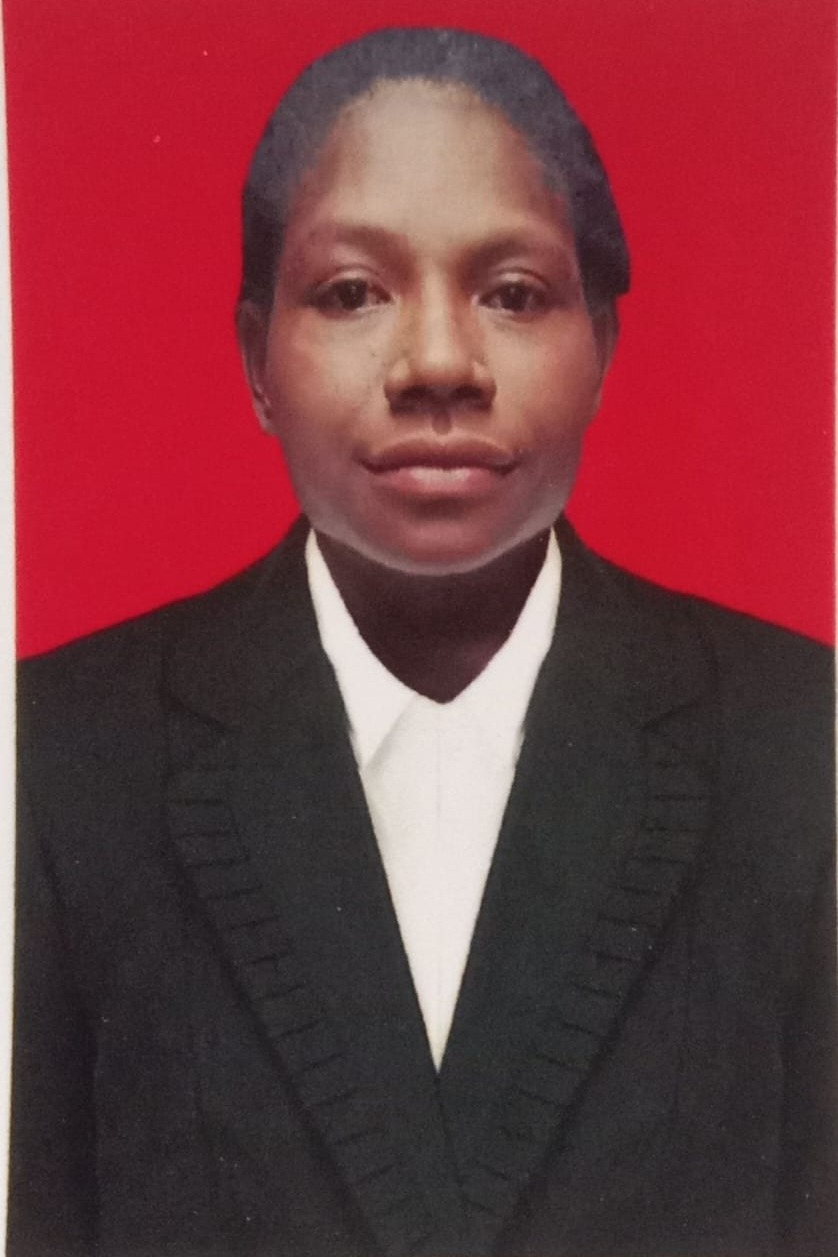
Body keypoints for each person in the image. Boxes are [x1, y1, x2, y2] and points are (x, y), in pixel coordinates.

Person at [9, 26, 835, 1257]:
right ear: (255, 359)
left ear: (602, 348)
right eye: (352, 292)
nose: (439, 364)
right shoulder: (53, 760)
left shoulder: (803, 743)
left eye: (513, 293)